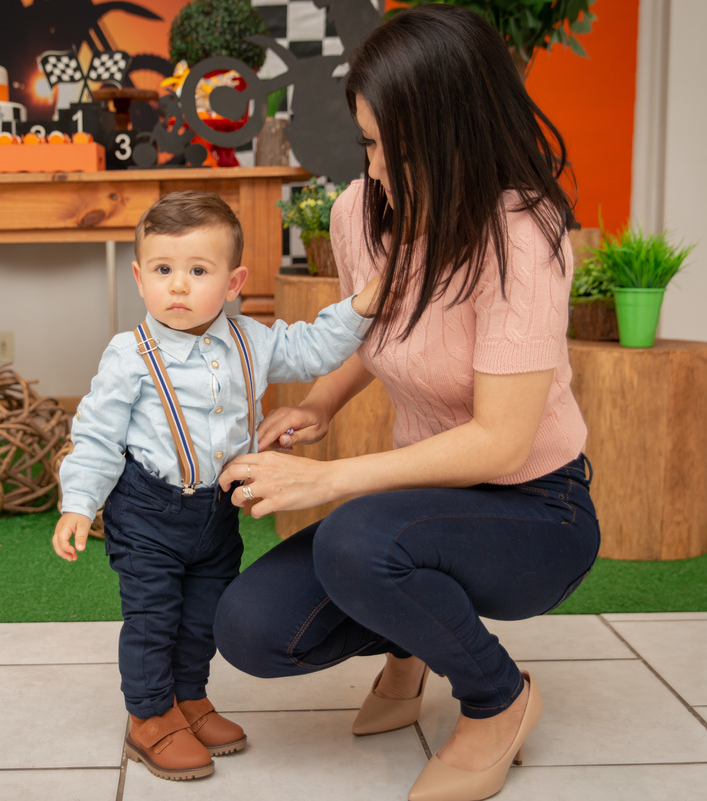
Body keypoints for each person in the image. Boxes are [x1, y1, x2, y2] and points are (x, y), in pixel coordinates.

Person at [212, 6, 601, 801]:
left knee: (356, 539)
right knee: (251, 628)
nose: (377, 168)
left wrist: (327, 478)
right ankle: (412, 636)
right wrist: (322, 402)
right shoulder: (363, 211)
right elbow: (389, 328)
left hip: (535, 507)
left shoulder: (522, 238)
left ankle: (497, 699)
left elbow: (499, 442)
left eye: (397, 146)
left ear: (459, 133)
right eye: (368, 142)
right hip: (420, 502)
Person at [52, 191, 382, 782]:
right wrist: (79, 504)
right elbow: (96, 435)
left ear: (234, 283)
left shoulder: (251, 340)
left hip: (217, 512)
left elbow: (314, 348)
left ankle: (188, 698)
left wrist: (363, 305)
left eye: (198, 271)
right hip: (149, 512)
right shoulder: (129, 355)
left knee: (203, 612)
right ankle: (149, 715)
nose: (178, 286)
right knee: (155, 617)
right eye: (163, 270)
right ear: (140, 278)